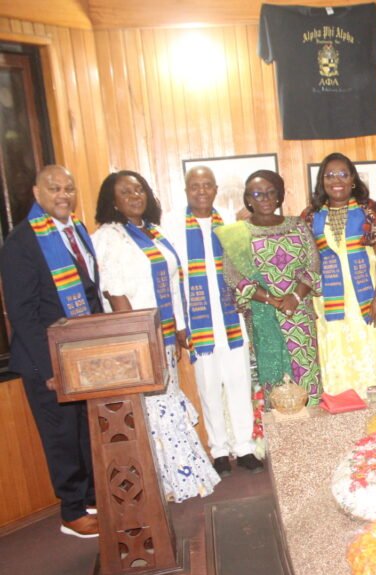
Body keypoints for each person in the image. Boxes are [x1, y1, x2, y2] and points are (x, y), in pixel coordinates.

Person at [92, 170, 220, 502]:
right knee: (149, 411)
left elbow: (171, 284)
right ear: (113, 201)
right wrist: (136, 339)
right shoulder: (109, 236)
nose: (135, 196)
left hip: (162, 336)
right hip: (136, 339)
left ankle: (181, 478)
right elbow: (113, 291)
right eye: (125, 192)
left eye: (139, 190)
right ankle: (159, 484)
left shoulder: (153, 232)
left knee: (165, 403)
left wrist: (178, 329)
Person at [0, 165, 102, 537]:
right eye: (54, 188)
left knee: (84, 434)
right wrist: (49, 368)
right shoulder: (22, 242)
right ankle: (72, 511)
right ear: (36, 193)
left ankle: (91, 498)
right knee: (61, 437)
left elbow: (91, 293)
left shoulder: (76, 231)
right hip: (45, 361)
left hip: (80, 355)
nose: (63, 194)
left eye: (69, 188)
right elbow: (22, 314)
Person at [165, 166, 259, 476]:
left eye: (207, 185)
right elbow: (172, 279)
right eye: (195, 186)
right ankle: (219, 450)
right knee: (208, 387)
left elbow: (243, 268)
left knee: (239, 382)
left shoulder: (230, 222)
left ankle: (244, 447)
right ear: (186, 190)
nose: (201, 191)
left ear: (216, 189)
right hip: (198, 322)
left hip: (232, 320)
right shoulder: (173, 226)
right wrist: (179, 323)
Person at [217, 170, 322, 407]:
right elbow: (233, 276)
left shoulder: (298, 226)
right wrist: (272, 300)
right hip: (264, 313)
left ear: (279, 197)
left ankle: (313, 434)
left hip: (299, 314)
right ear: (248, 199)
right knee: (275, 379)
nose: (264, 198)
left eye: (270, 192)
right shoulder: (237, 233)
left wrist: (295, 297)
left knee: (306, 372)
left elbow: (313, 265)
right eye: (257, 193)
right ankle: (282, 439)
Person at [307, 153, 376, 395]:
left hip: (369, 297)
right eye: (329, 175)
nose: (336, 180)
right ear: (322, 181)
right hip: (330, 301)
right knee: (339, 354)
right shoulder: (312, 215)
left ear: (353, 179)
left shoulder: (368, 210)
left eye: (343, 174)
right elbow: (306, 260)